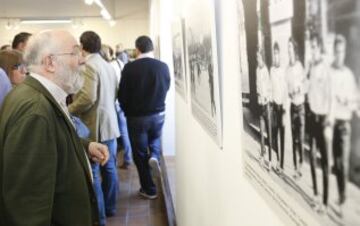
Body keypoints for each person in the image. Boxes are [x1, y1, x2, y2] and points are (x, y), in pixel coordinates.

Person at [0, 29, 109, 226]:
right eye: (75, 53)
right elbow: (28, 207)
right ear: (50, 62)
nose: (83, 60)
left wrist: (84, 147)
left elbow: (48, 143)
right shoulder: (35, 110)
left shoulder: (38, 97)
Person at [68, 31, 120, 226]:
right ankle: (111, 207)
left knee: (95, 172)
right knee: (110, 167)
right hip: (109, 124)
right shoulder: (107, 64)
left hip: (95, 125)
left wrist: (69, 109)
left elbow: (88, 97)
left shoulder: (89, 65)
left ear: (82, 46)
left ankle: (100, 218)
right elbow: (114, 92)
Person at [118, 35, 170, 199]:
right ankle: (154, 156)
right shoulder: (162, 66)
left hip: (137, 117)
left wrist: (126, 110)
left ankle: (149, 189)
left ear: (137, 49)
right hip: (158, 114)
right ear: (152, 48)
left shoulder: (129, 68)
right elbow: (166, 86)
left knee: (139, 154)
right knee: (155, 139)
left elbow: (122, 95)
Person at [329, 34, 358, 213]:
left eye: (342, 52)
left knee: (344, 163)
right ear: (334, 52)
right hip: (333, 123)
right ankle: (341, 195)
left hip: (345, 125)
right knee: (337, 163)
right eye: (337, 52)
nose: (339, 55)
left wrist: (347, 99)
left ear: (345, 53)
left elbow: (355, 100)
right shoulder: (330, 73)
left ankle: (343, 197)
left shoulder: (348, 75)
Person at [307, 33, 331, 213]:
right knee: (313, 157)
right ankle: (316, 195)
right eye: (311, 47)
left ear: (319, 49)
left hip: (323, 120)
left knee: (324, 162)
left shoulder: (324, 68)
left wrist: (328, 119)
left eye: (314, 47)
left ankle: (324, 201)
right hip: (312, 118)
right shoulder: (311, 67)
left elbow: (330, 95)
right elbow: (308, 87)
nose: (312, 50)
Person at [286, 37, 307, 179]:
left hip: (301, 108)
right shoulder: (287, 70)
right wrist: (290, 92)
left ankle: (300, 165)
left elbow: (306, 86)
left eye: (290, 47)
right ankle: (295, 167)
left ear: (294, 49)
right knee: (294, 139)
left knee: (300, 138)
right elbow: (288, 90)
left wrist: (299, 88)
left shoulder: (299, 67)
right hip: (293, 107)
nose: (288, 50)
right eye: (287, 48)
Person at [110, 46, 132, 169]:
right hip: (122, 102)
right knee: (124, 132)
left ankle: (121, 159)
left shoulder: (111, 65)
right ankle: (127, 158)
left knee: (118, 132)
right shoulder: (124, 64)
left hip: (115, 102)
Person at [269, 42, 287, 172]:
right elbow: (270, 88)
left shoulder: (283, 70)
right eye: (274, 54)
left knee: (282, 135)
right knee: (274, 134)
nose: (276, 56)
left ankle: (281, 164)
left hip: (282, 107)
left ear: (280, 55)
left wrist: (285, 107)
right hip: (274, 106)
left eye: (277, 54)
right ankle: (277, 158)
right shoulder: (271, 70)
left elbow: (285, 90)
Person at [256, 49, 272, 170]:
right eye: (257, 58)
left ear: (263, 58)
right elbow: (257, 86)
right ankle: (262, 154)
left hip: (266, 106)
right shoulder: (257, 70)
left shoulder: (266, 71)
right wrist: (258, 96)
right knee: (261, 133)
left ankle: (270, 159)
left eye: (259, 58)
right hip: (261, 106)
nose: (258, 60)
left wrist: (266, 98)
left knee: (269, 134)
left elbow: (269, 89)